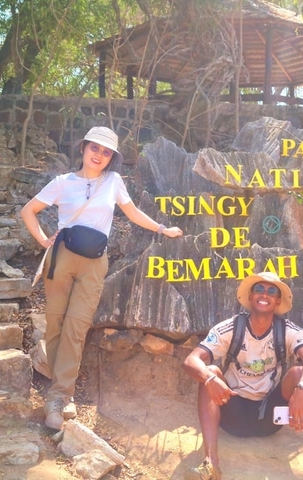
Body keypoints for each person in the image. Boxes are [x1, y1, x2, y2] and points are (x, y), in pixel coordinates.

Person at [21, 126, 183, 430]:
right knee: (55, 324)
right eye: (95, 148)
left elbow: (132, 212)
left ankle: (58, 397)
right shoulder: (62, 183)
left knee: (77, 326)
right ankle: (59, 390)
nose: (99, 155)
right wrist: (44, 240)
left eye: (106, 152)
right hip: (60, 258)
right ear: (83, 149)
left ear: (111, 159)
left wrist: (162, 229)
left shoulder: (113, 182)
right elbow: (29, 211)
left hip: (95, 262)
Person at [182, 271, 303, 480]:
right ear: (250, 296)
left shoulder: (289, 331)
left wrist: (302, 388)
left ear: (278, 300)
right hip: (232, 412)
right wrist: (210, 379)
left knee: (300, 373)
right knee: (210, 371)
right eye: (259, 289)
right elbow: (191, 360)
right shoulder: (230, 328)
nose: (264, 295)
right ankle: (211, 465)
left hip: (269, 417)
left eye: (271, 291)